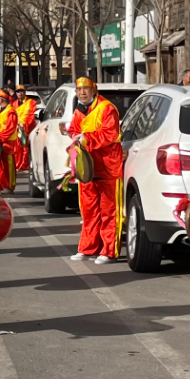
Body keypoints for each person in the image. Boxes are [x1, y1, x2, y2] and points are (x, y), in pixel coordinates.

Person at [65, 76, 126, 264]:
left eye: (86, 88)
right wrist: (75, 139)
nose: (82, 92)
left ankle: (108, 251)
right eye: (79, 89)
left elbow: (110, 134)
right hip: (88, 168)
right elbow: (74, 130)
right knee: (88, 211)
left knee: (109, 211)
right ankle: (88, 248)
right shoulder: (80, 110)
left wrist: (87, 138)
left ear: (94, 90)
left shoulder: (107, 108)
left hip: (108, 167)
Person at [0, 88, 21, 192]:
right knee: (1, 165)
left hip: (8, 142)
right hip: (0, 141)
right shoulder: (1, 110)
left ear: (2, 99)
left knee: (9, 165)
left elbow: (10, 128)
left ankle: (9, 186)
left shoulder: (11, 112)